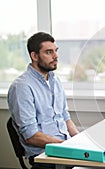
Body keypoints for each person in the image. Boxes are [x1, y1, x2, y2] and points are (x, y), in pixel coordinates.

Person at [7, 32, 79, 168]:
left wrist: (80, 140)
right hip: (45, 156)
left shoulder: (55, 80)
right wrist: (67, 147)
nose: (56, 56)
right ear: (34, 56)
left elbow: (65, 117)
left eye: (56, 51)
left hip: (64, 149)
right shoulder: (22, 87)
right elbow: (31, 136)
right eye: (49, 52)